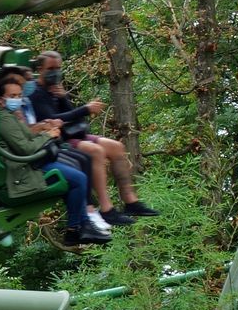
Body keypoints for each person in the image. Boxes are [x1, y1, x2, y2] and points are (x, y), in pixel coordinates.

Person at [28, 50, 156, 222]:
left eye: (58, 68)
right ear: (40, 69)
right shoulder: (36, 93)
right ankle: (106, 208)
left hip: (73, 134)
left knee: (117, 147)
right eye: (50, 69)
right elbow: (52, 120)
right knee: (96, 151)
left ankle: (131, 201)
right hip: (56, 141)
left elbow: (73, 117)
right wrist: (86, 109)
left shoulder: (55, 90)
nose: (55, 72)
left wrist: (63, 98)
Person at [0, 71, 108, 247]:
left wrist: (45, 129)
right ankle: (75, 229)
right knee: (78, 179)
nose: (17, 99)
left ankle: (80, 226)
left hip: (30, 161)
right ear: (1, 100)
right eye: (12, 96)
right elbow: (25, 148)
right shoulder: (4, 120)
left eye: (19, 96)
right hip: (24, 169)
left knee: (78, 167)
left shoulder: (10, 116)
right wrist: (48, 136)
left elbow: (27, 137)